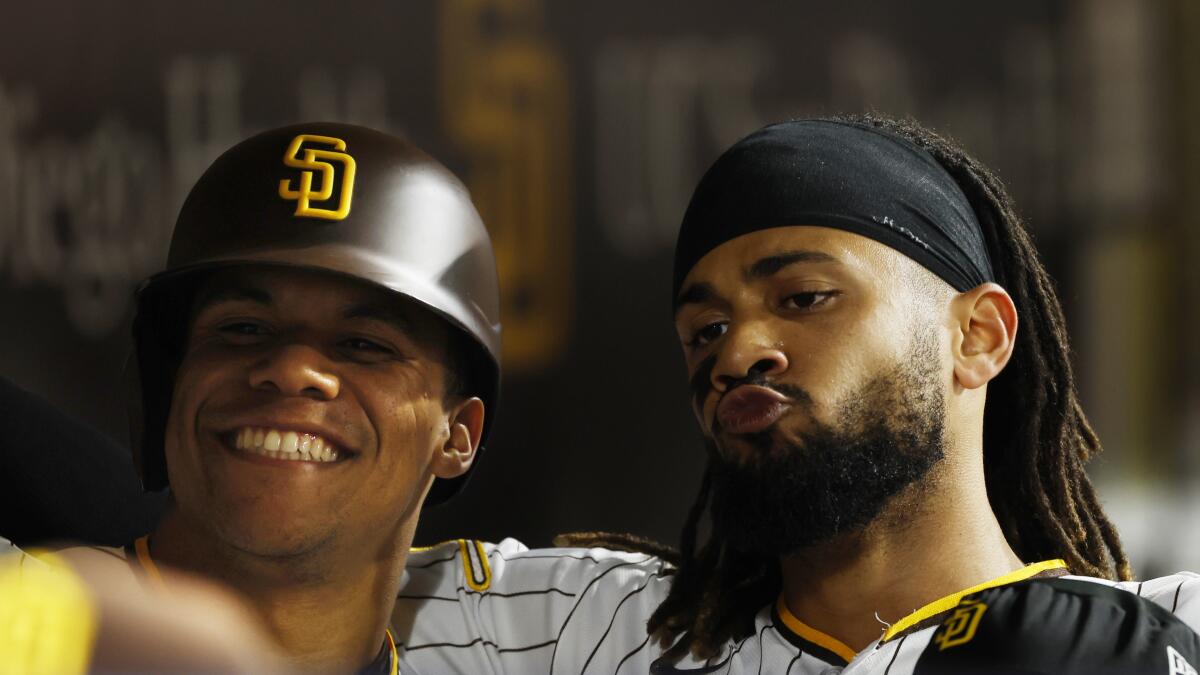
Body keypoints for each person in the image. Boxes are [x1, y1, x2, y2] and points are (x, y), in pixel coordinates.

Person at [392, 115, 1200, 674]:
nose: (737, 351)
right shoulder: (587, 631)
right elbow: (299, 584)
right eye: (703, 329)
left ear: (978, 335)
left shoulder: (1163, 635)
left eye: (804, 298)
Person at [52, 121, 503, 673]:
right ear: (169, 383)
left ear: (458, 436)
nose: (292, 369)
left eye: (363, 345)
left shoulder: (556, 625)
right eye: (243, 328)